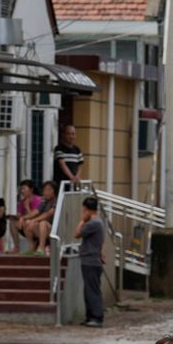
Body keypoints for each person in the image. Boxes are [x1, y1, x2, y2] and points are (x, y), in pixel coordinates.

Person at [77, 197, 105, 327]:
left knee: (92, 289)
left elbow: (77, 233)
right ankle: (90, 316)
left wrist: (82, 220)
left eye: (84, 210)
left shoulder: (93, 223)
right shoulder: (99, 222)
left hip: (91, 260)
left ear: (87, 209)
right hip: (92, 259)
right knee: (89, 289)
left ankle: (96, 316)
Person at [20, 181, 58, 254]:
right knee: (27, 222)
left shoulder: (56, 201)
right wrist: (23, 218)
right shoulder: (44, 202)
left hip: (54, 230)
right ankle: (31, 247)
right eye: (45, 190)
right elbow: (36, 212)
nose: (46, 192)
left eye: (49, 190)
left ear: (54, 191)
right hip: (43, 229)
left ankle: (41, 248)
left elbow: (48, 213)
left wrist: (34, 220)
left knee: (42, 223)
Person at [53, 124, 84, 189]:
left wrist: (77, 177)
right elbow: (62, 165)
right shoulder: (59, 149)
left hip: (73, 185)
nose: (71, 136)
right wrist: (72, 177)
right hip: (61, 185)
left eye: (73, 134)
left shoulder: (77, 150)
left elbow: (80, 165)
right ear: (63, 135)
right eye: (68, 134)